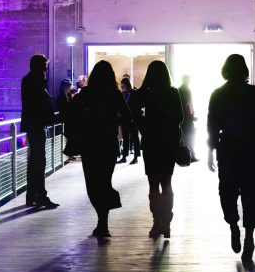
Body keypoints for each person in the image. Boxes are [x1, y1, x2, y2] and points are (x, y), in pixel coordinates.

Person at [207, 54, 255, 263]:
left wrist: (210, 151)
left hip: (228, 150)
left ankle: (233, 226)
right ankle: (249, 238)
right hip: (252, 151)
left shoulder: (218, 94)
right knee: (251, 195)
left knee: (226, 192)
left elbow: (212, 125)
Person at [71, 61, 132, 239]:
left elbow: (71, 113)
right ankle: (103, 222)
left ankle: (101, 221)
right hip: (108, 144)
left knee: (92, 183)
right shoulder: (115, 94)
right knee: (104, 182)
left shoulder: (86, 94)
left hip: (90, 144)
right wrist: (114, 123)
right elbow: (128, 116)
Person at [130, 60, 184, 239]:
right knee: (167, 182)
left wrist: (144, 125)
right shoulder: (173, 92)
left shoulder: (145, 93)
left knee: (153, 184)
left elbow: (133, 112)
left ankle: (156, 221)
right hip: (168, 142)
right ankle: (167, 220)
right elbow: (179, 118)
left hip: (151, 142)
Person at [20, 54, 59, 209]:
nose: (46, 71)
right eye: (44, 67)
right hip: (36, 125)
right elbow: (39, 102)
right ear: (37, 67)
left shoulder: (30, 81)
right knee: (38, 161)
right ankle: (40, 195)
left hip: (34, 125)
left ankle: (32, 195)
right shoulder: (33, 82)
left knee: (35, 161)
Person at [118, 77, 141, 164]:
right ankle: (124, 156)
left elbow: (137, 105)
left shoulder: (134, 93)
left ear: (127, 85)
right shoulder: (122, 94)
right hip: (124, 119)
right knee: (125, 138)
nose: (122, 87)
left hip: (133, 119)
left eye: (123, 86)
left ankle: (136, 157)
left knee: (135, 138)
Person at [178, 74, 198, 162]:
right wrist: (191, 115)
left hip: (186, 117)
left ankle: (188, 155)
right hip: (186, 118)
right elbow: (186, 104)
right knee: (189, 136)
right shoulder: (183, 90)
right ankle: (190, 155)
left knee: (186, 136)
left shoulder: (182, 89)